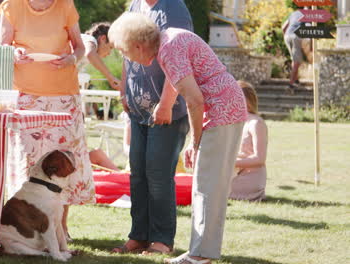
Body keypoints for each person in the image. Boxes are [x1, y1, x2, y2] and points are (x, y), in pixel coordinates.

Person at [108, 12, 247, 264]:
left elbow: (195, 100)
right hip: (225, 107)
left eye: (125, 51)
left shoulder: (168, 50)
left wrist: (195, 141)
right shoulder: (168, 41)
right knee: (207, 186)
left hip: (221, 111)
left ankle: (200, 255)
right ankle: (201, 252)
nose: (126, 58)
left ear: (138, 46)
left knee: (207, 186)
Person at [0, 0, 93, 241]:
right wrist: (14, 54)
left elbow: (80, 48)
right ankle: (29, 227)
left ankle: (62, 228)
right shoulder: (12, 6)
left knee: (64, 160)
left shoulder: (66, 6)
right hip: (26, 96)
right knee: (29, 159)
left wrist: (72, 59)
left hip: (63, 95)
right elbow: (1, 48)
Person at [111, 0, 193, 255]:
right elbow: (126, 52)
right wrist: (125, 89)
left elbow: (181, 57)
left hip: (167, 110)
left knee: (158, 175)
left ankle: (162, 240)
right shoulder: (135, 5)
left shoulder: (173, 8)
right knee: (138, 173)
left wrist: (167, 102)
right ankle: (139, 236)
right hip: (139, 109)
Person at [229, 81, 268, 202]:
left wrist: (230, 162)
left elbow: (260, 159)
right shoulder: (235, 122)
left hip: (250, 177)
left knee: (212, 189)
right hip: (235, 173)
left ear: (248, 101)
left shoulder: (256, 123)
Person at [79, 22, 121, 91]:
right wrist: (111, 78)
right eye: (110, 47)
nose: (109, 53)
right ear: (103, 39)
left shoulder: (85, 44)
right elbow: (90, 54)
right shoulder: (91, 40)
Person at [282, 2, 307, 93]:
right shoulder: (307, 15)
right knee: (296, 62)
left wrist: (286, 37)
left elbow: (283, 27)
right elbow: (309, 30)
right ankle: (291, 85)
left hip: (287, 36)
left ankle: (296, 80)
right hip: (296, 36)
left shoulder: (293, 13)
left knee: (294, 59)